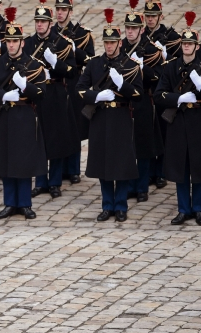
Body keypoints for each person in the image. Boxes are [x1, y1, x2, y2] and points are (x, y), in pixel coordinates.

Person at [75, 8, 142, 223]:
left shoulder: (131, 66)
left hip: (121, 117)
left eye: (113, 42)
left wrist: (123, 85)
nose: (110, 46)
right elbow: (80, 89)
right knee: (103, 163)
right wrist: (97, 95)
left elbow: (139, 94)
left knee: (121, 163)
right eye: (107, 43)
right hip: (101, 117)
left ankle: (120, 205)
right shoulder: (94, 64)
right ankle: (107, 205)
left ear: (120, 43)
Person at [154, 12, 201, 226]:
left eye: (191, 44)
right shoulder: (171, 67)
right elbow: (159, 95)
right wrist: (178, 98)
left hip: (199, 122)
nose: (187, 47)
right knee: (181, 170)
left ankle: (199, 209)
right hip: (179, 122)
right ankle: (183, 209)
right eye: (184, 43)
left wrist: (200, 87)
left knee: (199, 168)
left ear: (197, 47)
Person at [0, 7, 47, 220]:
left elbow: (40, 93)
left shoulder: (34, 65)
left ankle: (25, 203)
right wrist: (3, 96)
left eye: (14, 41)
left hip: (24, 116)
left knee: (24, 160)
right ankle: (10, 203)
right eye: (8, 41)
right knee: (5, 160)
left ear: (22, 42)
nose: (11, 45)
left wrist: (25, 87)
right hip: (4, 115)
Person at [25, 1, 78, 200]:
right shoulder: (29, 43)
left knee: (55, 139)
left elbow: (72, 71)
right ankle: (40, 181)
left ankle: (55, 182)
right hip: (36, 93)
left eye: (43, 21)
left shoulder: (62, 43)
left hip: (55, 92)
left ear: (50, 23)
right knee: (38, 138)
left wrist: (56, 63)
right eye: (37, 21)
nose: (40, 25)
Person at [121, 6, 164, 203]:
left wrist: (142, 67)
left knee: (144, 145)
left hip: (144, 99)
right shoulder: (119, 46)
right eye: (128, 28)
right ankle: (129, 184)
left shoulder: (151, 49)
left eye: (134, 28)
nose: (130, 31)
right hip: (123, 101)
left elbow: (158, 77)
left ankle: (142, 186)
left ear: (141, 30)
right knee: (127, 145)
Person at [52, 0, 95, 185]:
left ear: (70, 11)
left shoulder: (82, 34)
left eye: (64, 10)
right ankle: (59, 168)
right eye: (58, 10)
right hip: (55, 83)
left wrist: (73, 49)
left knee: (75, 125)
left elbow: (90, 59)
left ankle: (74, 169)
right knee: (59, 125)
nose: (60, 13)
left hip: (74, 80)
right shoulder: (50, 32)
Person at [144, 0, 183, 189]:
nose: (150, 20)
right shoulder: (140, 35)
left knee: (162, 132)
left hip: (162, 90)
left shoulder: (172, 37)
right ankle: (148, 170)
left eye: (153, 16)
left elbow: (179, 67)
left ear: (161, 16)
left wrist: (166, 57)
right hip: (144, 91)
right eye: (148, 16)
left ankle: (160, 171)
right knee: (147, 132)